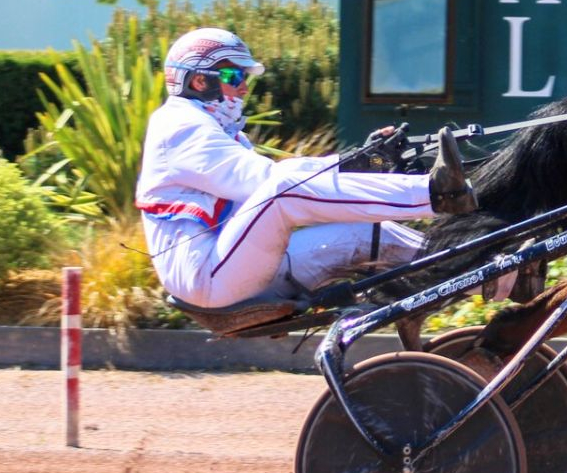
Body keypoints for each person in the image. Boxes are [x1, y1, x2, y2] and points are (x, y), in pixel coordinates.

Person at [135, 27, 476, 310]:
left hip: (236, 265)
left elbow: (281, 183)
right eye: (233, 75)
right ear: (198, 82)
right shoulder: (179, 125)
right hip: (208, 280)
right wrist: (352, 166)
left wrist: (363, 163)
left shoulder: (220, 131)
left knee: (372, 233)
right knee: (281, 189)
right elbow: (267, 183)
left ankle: (499, 275)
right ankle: (436, 193)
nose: (243, 86)